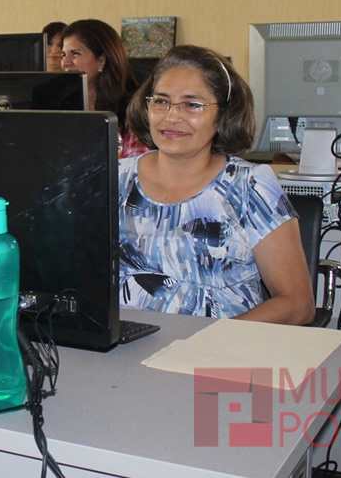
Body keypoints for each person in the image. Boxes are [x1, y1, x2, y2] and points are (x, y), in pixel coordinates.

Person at [118, 45, 314, 325]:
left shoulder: (250, 186)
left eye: (192, 104)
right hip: (121, 350)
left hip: (220, 350)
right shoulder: (114, 178)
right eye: (161, 101)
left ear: (223, 115)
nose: (172, 116)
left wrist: (209, 343)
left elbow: (297, 304)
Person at [60, 19, 146, 157]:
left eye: (75, 53)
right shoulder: (61, 103)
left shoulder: (132, 109)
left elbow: (135, 165)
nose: (65, 63)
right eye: (63, 54)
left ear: (101, 60)